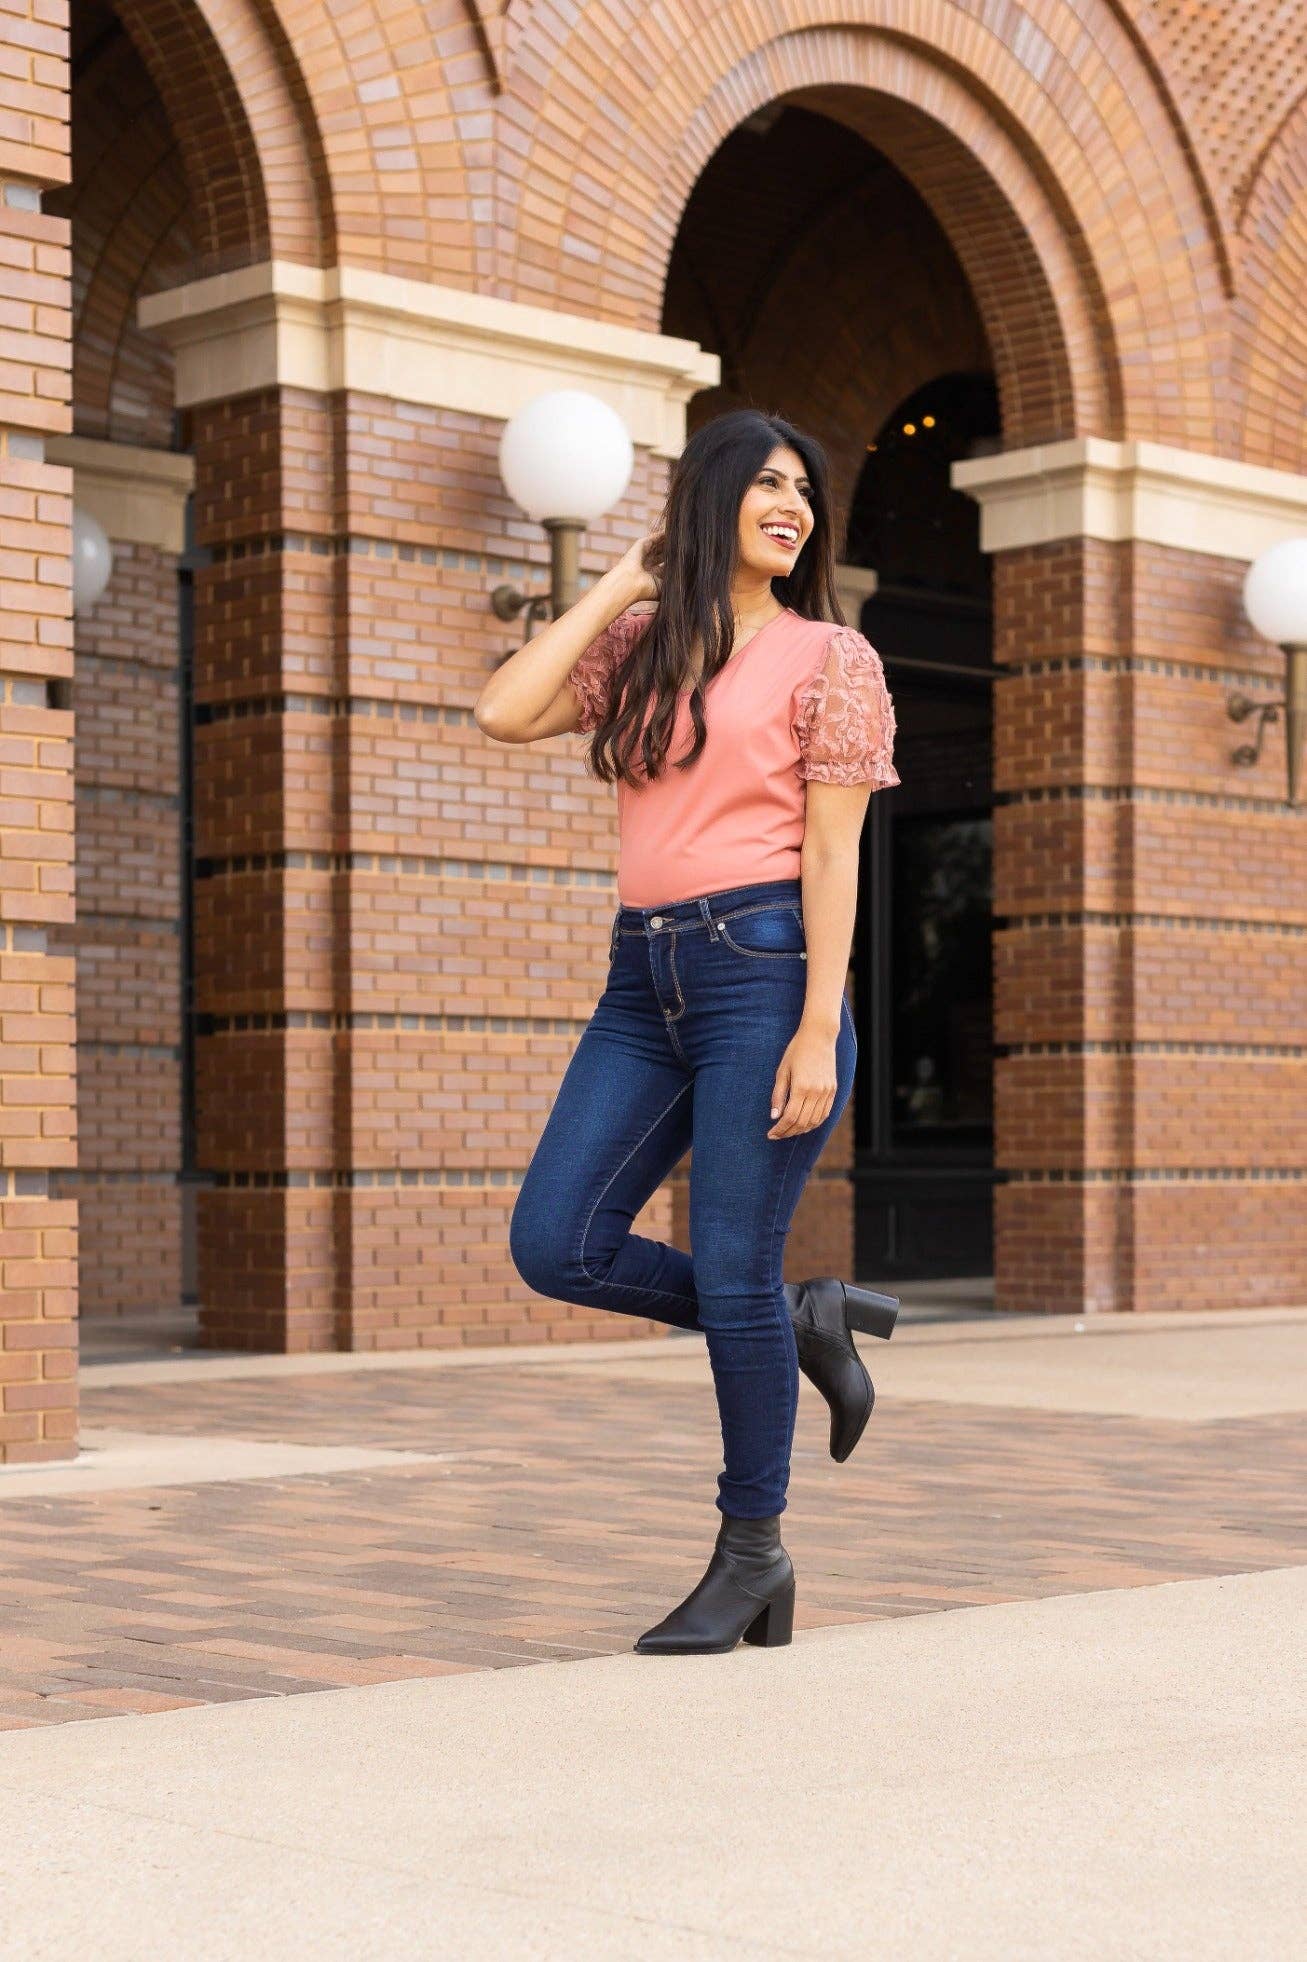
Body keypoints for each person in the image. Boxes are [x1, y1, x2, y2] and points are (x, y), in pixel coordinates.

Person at [475, 408, 902, 1655]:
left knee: (727, 1265)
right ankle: (797, 1315)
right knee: (556, 1243)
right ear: (709, 502)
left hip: (763, 975)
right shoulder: (640, 650)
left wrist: (817, 1026)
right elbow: (502, 712)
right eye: (764, 483)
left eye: (803, 490)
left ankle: (752, 1553)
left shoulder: (830, 657)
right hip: (640, 981)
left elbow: (832, 855)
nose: (791, 506)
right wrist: (621, 580)